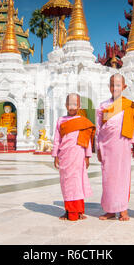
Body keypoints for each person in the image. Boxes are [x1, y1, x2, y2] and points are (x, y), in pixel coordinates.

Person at [96, 74, 134, 221]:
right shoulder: (103, 106)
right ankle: (109, 210)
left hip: (123, 146)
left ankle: (122, 209)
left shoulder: (130, 105)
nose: (115, 88)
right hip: (107, 146)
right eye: (113, 85)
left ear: (124, 87)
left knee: (123, 177)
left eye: (119, 85)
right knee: (108, 178)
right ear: (109, 87)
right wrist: (98, 148)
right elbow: (99, 129)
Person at [52, 93, 95, 221]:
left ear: (79, 106)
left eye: (74, 104)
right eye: (69, 104)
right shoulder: (61, 120)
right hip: (64, 155)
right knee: (66, 183)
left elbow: (86, 139)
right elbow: (57, 139)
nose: (72, 107)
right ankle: (67, 210)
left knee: (77, 182)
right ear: (65, 105)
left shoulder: (82, 121)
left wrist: (87, 156)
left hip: (78, 155)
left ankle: (79, 211)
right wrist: (55, 155)